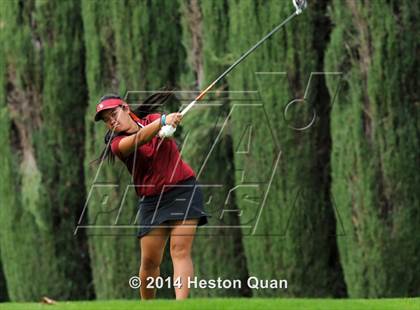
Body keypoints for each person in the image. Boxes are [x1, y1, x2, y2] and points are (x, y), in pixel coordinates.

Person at [93, 92, 211, 300]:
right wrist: (164, 122)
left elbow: (162, 126)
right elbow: (140, 138)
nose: (111, 121)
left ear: (126, 108)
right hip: (152, 201)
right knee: (150, 261)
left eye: (113, 114)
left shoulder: (154, 119)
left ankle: (181, 305)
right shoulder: (117, 144)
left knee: (179, 250)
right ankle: (148, 305)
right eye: (106, 119)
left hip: (183, 188)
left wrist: (169, 124)